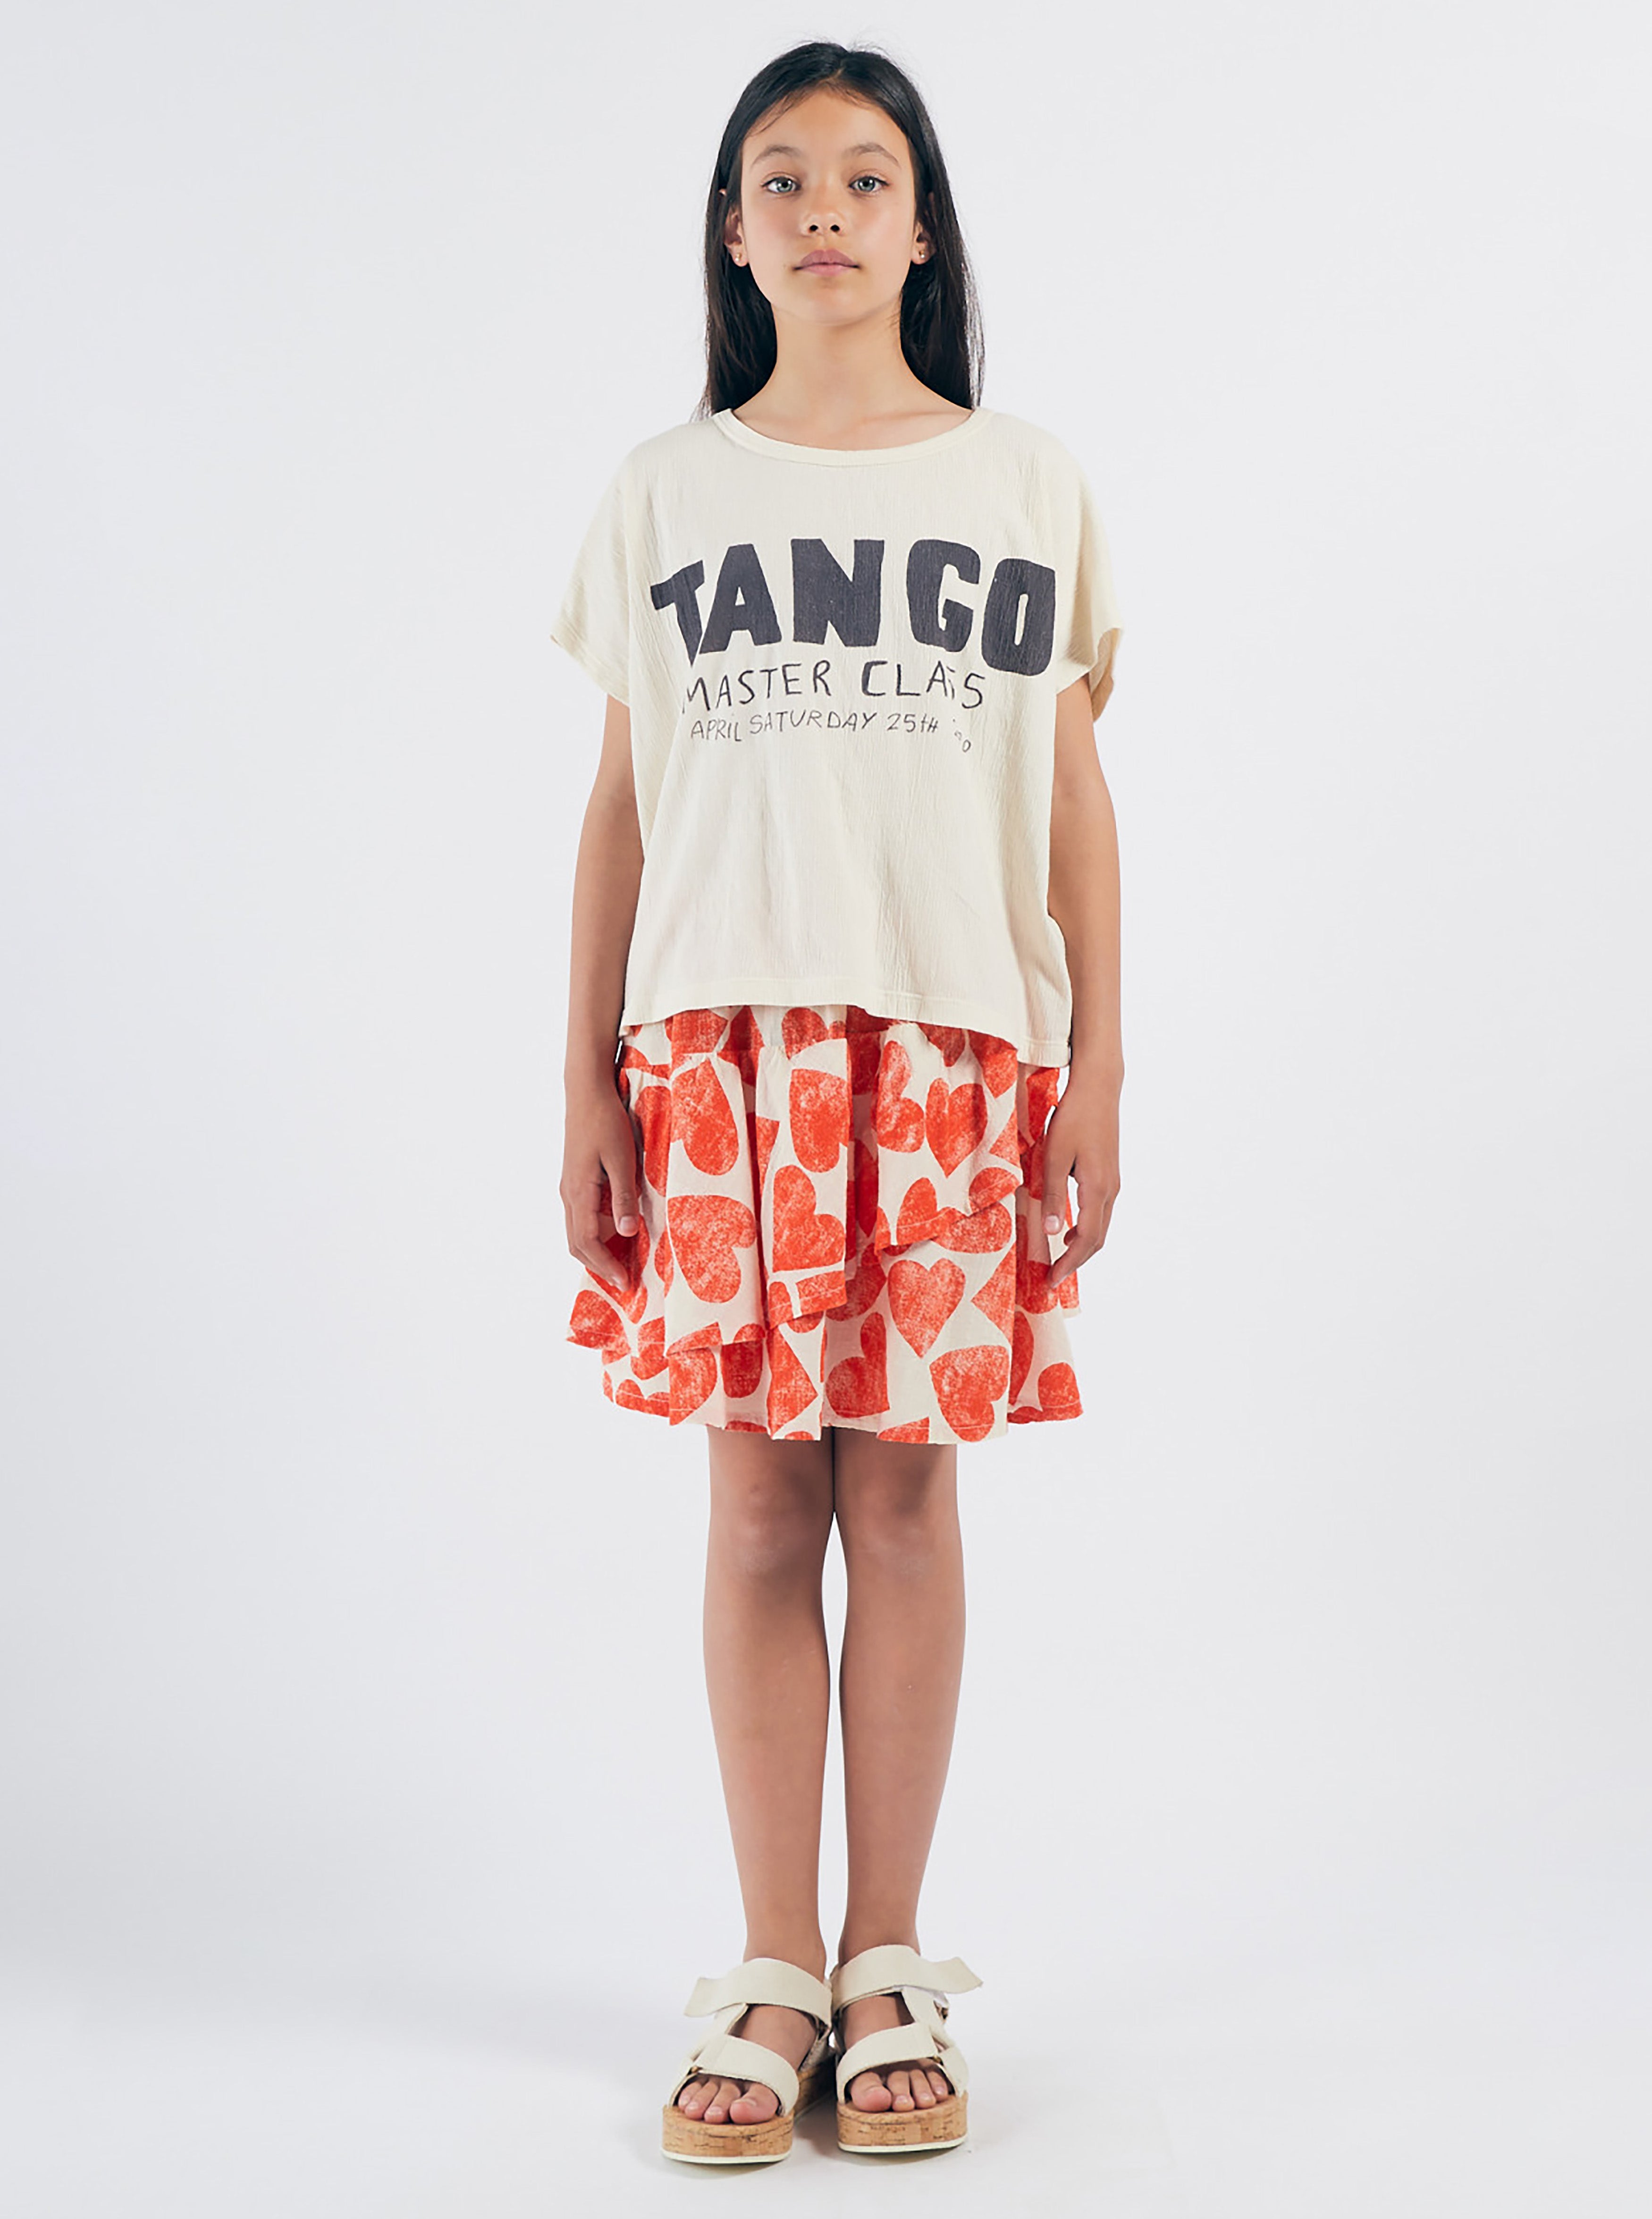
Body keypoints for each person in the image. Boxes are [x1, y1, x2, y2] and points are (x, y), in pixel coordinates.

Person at [555, 40, 1124, 2166]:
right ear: (731, 232)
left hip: (950, 1042)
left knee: (897, 1499)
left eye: (863, 176)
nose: (820, 209)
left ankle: (888, 1952)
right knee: (751, 1508)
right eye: (779, 177)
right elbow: (622, 803)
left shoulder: (1023, 482)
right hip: (721, 1051)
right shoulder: (665, 492)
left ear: (920, 227)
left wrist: (1096, 1060)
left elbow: (1071, 796)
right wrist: (585, 1070)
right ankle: (772, 1960)